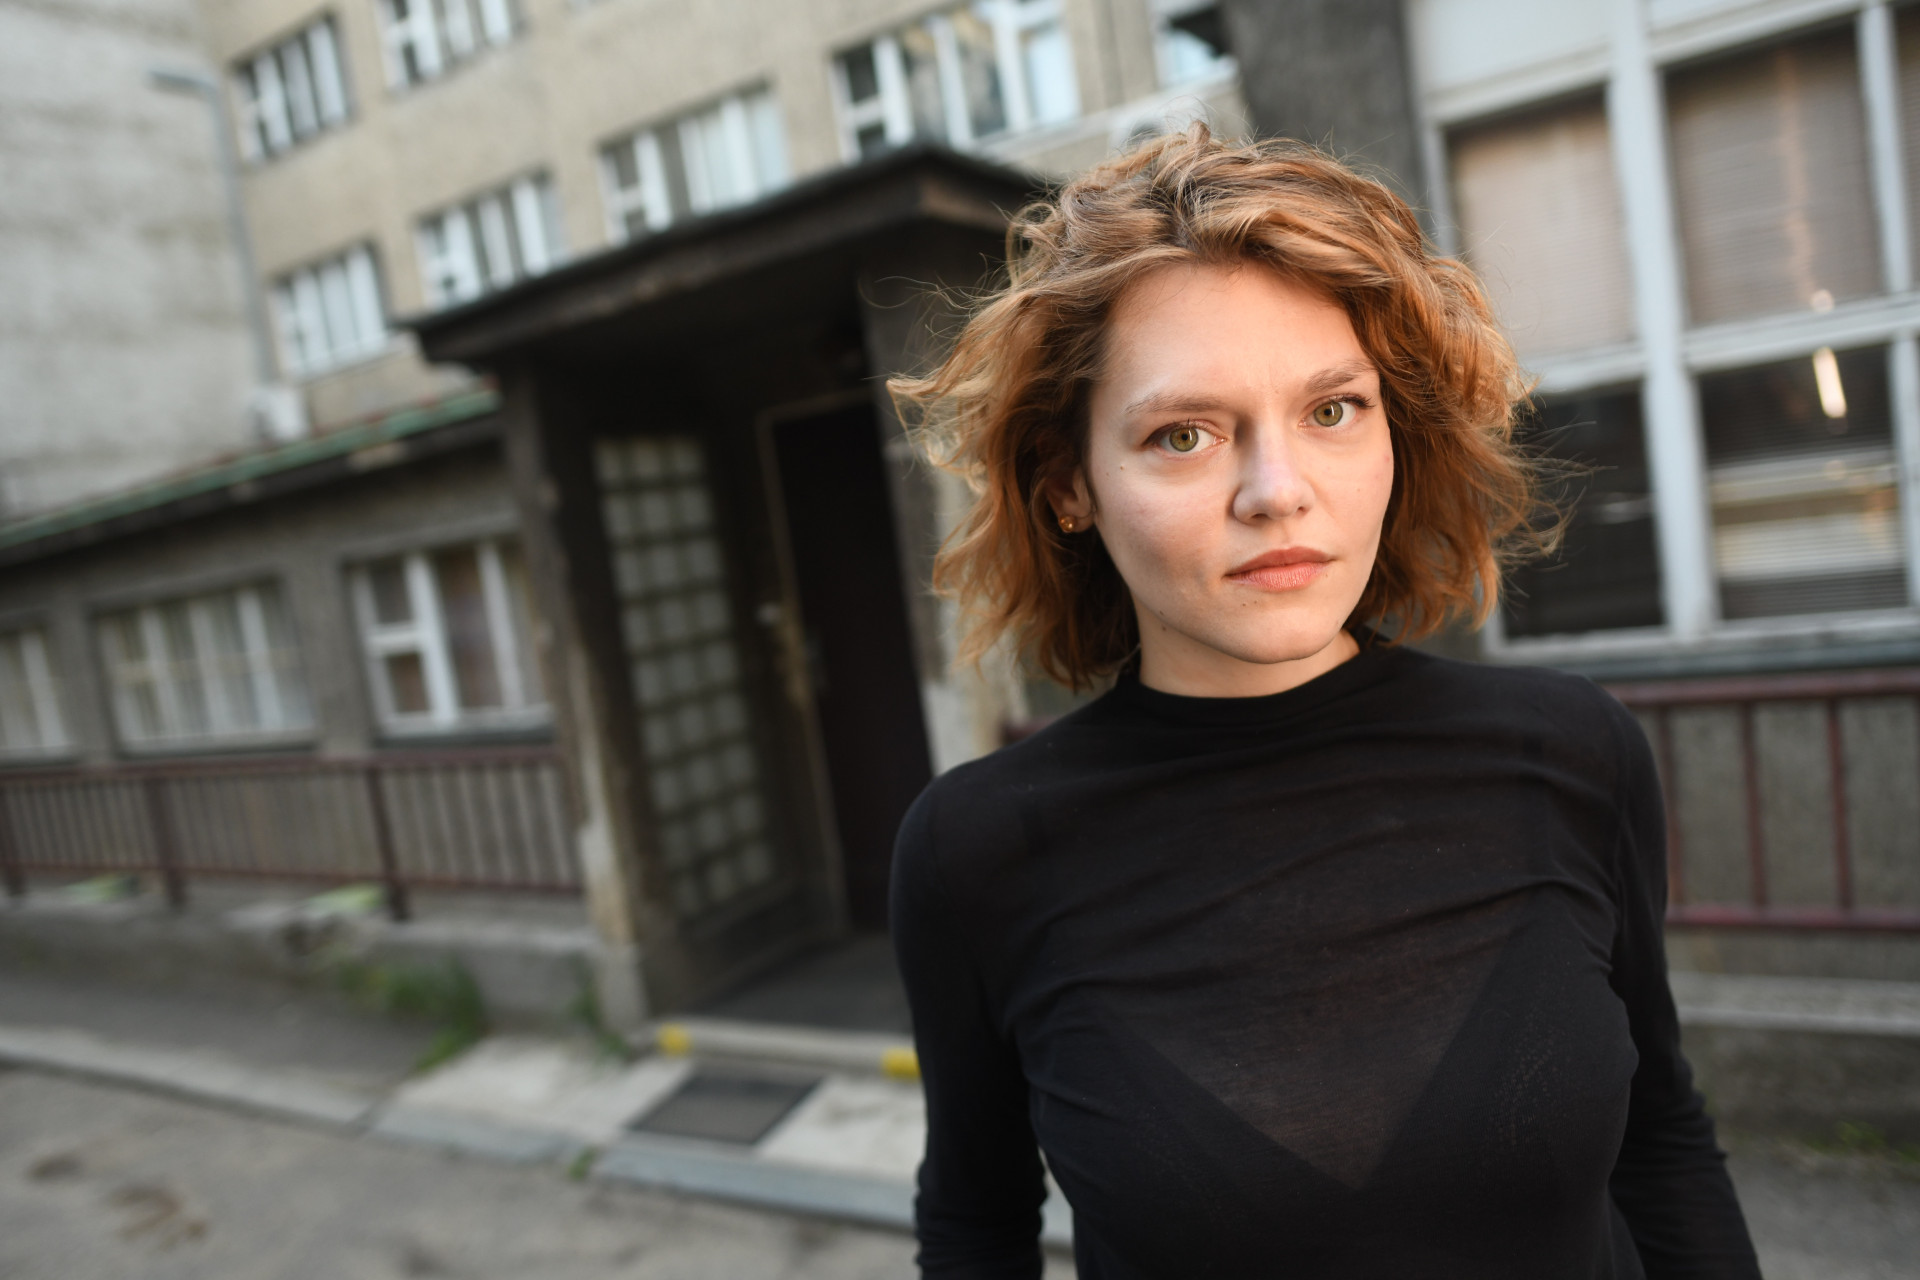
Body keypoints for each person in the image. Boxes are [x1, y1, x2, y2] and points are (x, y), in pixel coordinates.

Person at [885, 127, 1760, 1279]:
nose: (1278, 491)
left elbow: (1662, 1140)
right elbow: (975, 1226)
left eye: (1333, 409)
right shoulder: (975, 850)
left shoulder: (1571, 752)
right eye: (1184, 434)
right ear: (1069, 485)